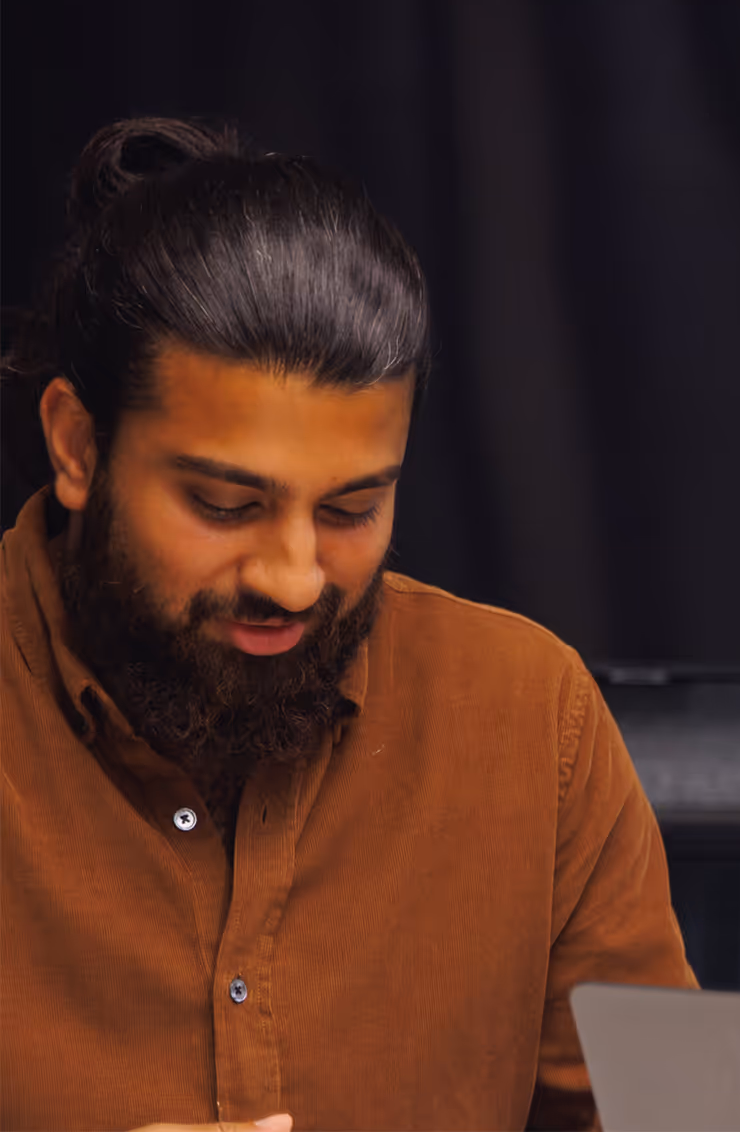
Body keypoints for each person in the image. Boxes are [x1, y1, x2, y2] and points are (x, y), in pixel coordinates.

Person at [0, 118, 696, 1131]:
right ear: (76, 445)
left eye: (351, 509)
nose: (292, 578)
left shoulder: (529, 714)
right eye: (226, 506)